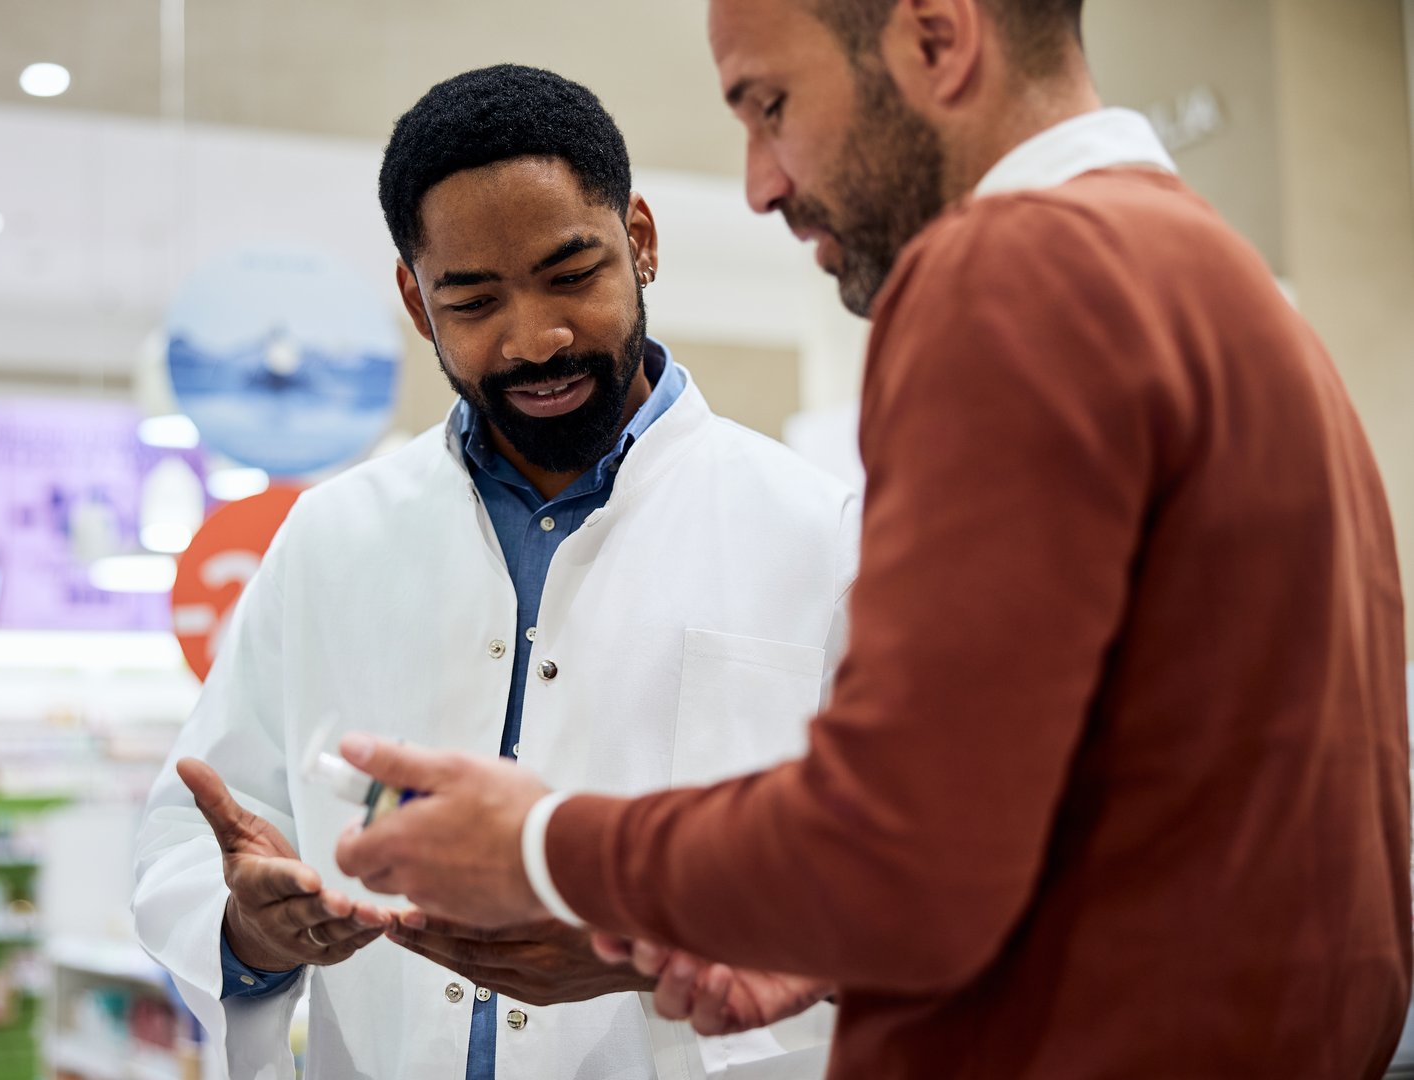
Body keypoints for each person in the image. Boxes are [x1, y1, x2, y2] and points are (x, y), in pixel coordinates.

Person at [330, 1, 1413, 1077]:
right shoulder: (1223, 284)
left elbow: (903, 845)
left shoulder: (1011, 271)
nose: (761, 183)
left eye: (772, 105)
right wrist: (824, 940)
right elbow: (1108, 826)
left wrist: (533, 844)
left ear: (937, 41)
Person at [133, 64, 858, 1079]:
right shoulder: (330, 540)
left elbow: (902, 888)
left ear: (640, 240)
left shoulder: (822, 535)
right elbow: (189, 840)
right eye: (472, 299)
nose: (536, 339)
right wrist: (254, 930)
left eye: (574, 276)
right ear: (415, 301)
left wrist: (638, 947)